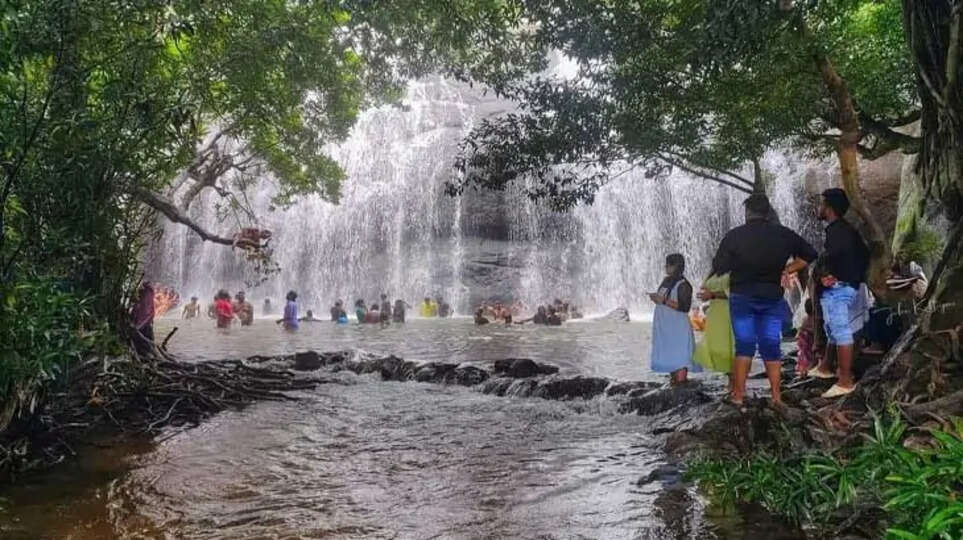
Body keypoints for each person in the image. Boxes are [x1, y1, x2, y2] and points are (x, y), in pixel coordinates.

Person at [711, 194, 818, 405]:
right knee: (771, 345)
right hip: (771, 297)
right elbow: (810, 254)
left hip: (742, 297)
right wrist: (787, 268)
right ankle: (777, 396)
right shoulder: (783, 234)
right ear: (767, 212)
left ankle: (739, 395)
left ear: (747, 212)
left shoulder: (734, 236)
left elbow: (719, 266)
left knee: (745, 345)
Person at [810, 188, 870, 398]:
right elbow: (863, 255)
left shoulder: (838, 231)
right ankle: (826, 367)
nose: (818, 208)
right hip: (844, 285)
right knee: (833, 328)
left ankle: (845, 380)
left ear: (829, 208)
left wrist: (836, 276)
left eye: (821, 204)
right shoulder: (843, 230)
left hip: (840, 288)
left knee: (841, 330)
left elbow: (834, 257)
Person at [649, 253, 702, 385]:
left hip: (677, 327)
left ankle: (681, 387)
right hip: (666, 326)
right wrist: (656, 298)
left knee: (680, 357)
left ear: (677, 266)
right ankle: (675, 383)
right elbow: (662, 299)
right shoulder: (666, 281)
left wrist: (663, 300)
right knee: (671, 356)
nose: (666, 267)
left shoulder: (684, 285)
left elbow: (684, 307)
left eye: (669, 265)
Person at [693, 271, 734, 383]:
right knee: (719, 346)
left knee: (729, 347)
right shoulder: (715, 271)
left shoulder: (734, 269)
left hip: (728, 311)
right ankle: (732, 384)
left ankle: (736, 386)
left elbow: (735, 292)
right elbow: (704, 286)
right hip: (715, 312)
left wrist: (712, 295)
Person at [132, 282, 155, 356]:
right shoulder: (146, 297)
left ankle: (146, 353)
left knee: (145, 341)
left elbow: (148, 313)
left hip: (144, 323)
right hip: (142, 322)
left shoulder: (146, 295)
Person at [795, 299, 816, 377]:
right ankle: (806, 369)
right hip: (807, 342)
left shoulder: (806, 319)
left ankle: (804, 369)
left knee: (805, 356)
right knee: (807, 356)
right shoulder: (811, 320)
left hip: (805, 342)